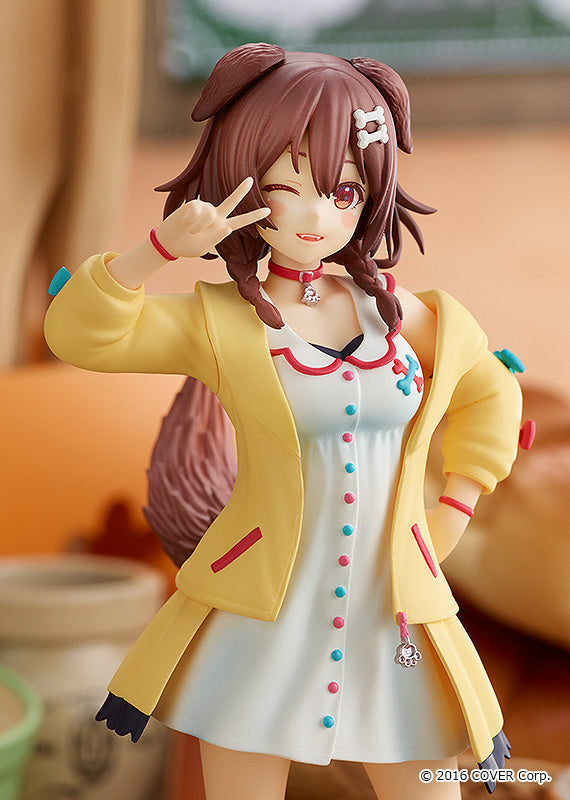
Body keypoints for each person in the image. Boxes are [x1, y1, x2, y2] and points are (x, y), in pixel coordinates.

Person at [44, 44, 523, 799]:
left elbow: (490, 389)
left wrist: (455, 507)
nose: (315, 215)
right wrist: (159, 249)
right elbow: (81, 336)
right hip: (264, 610)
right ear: (244, 181)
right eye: (285, 188)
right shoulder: (223, 324)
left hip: (393, 611)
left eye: (342, 190)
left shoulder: (404, 315)